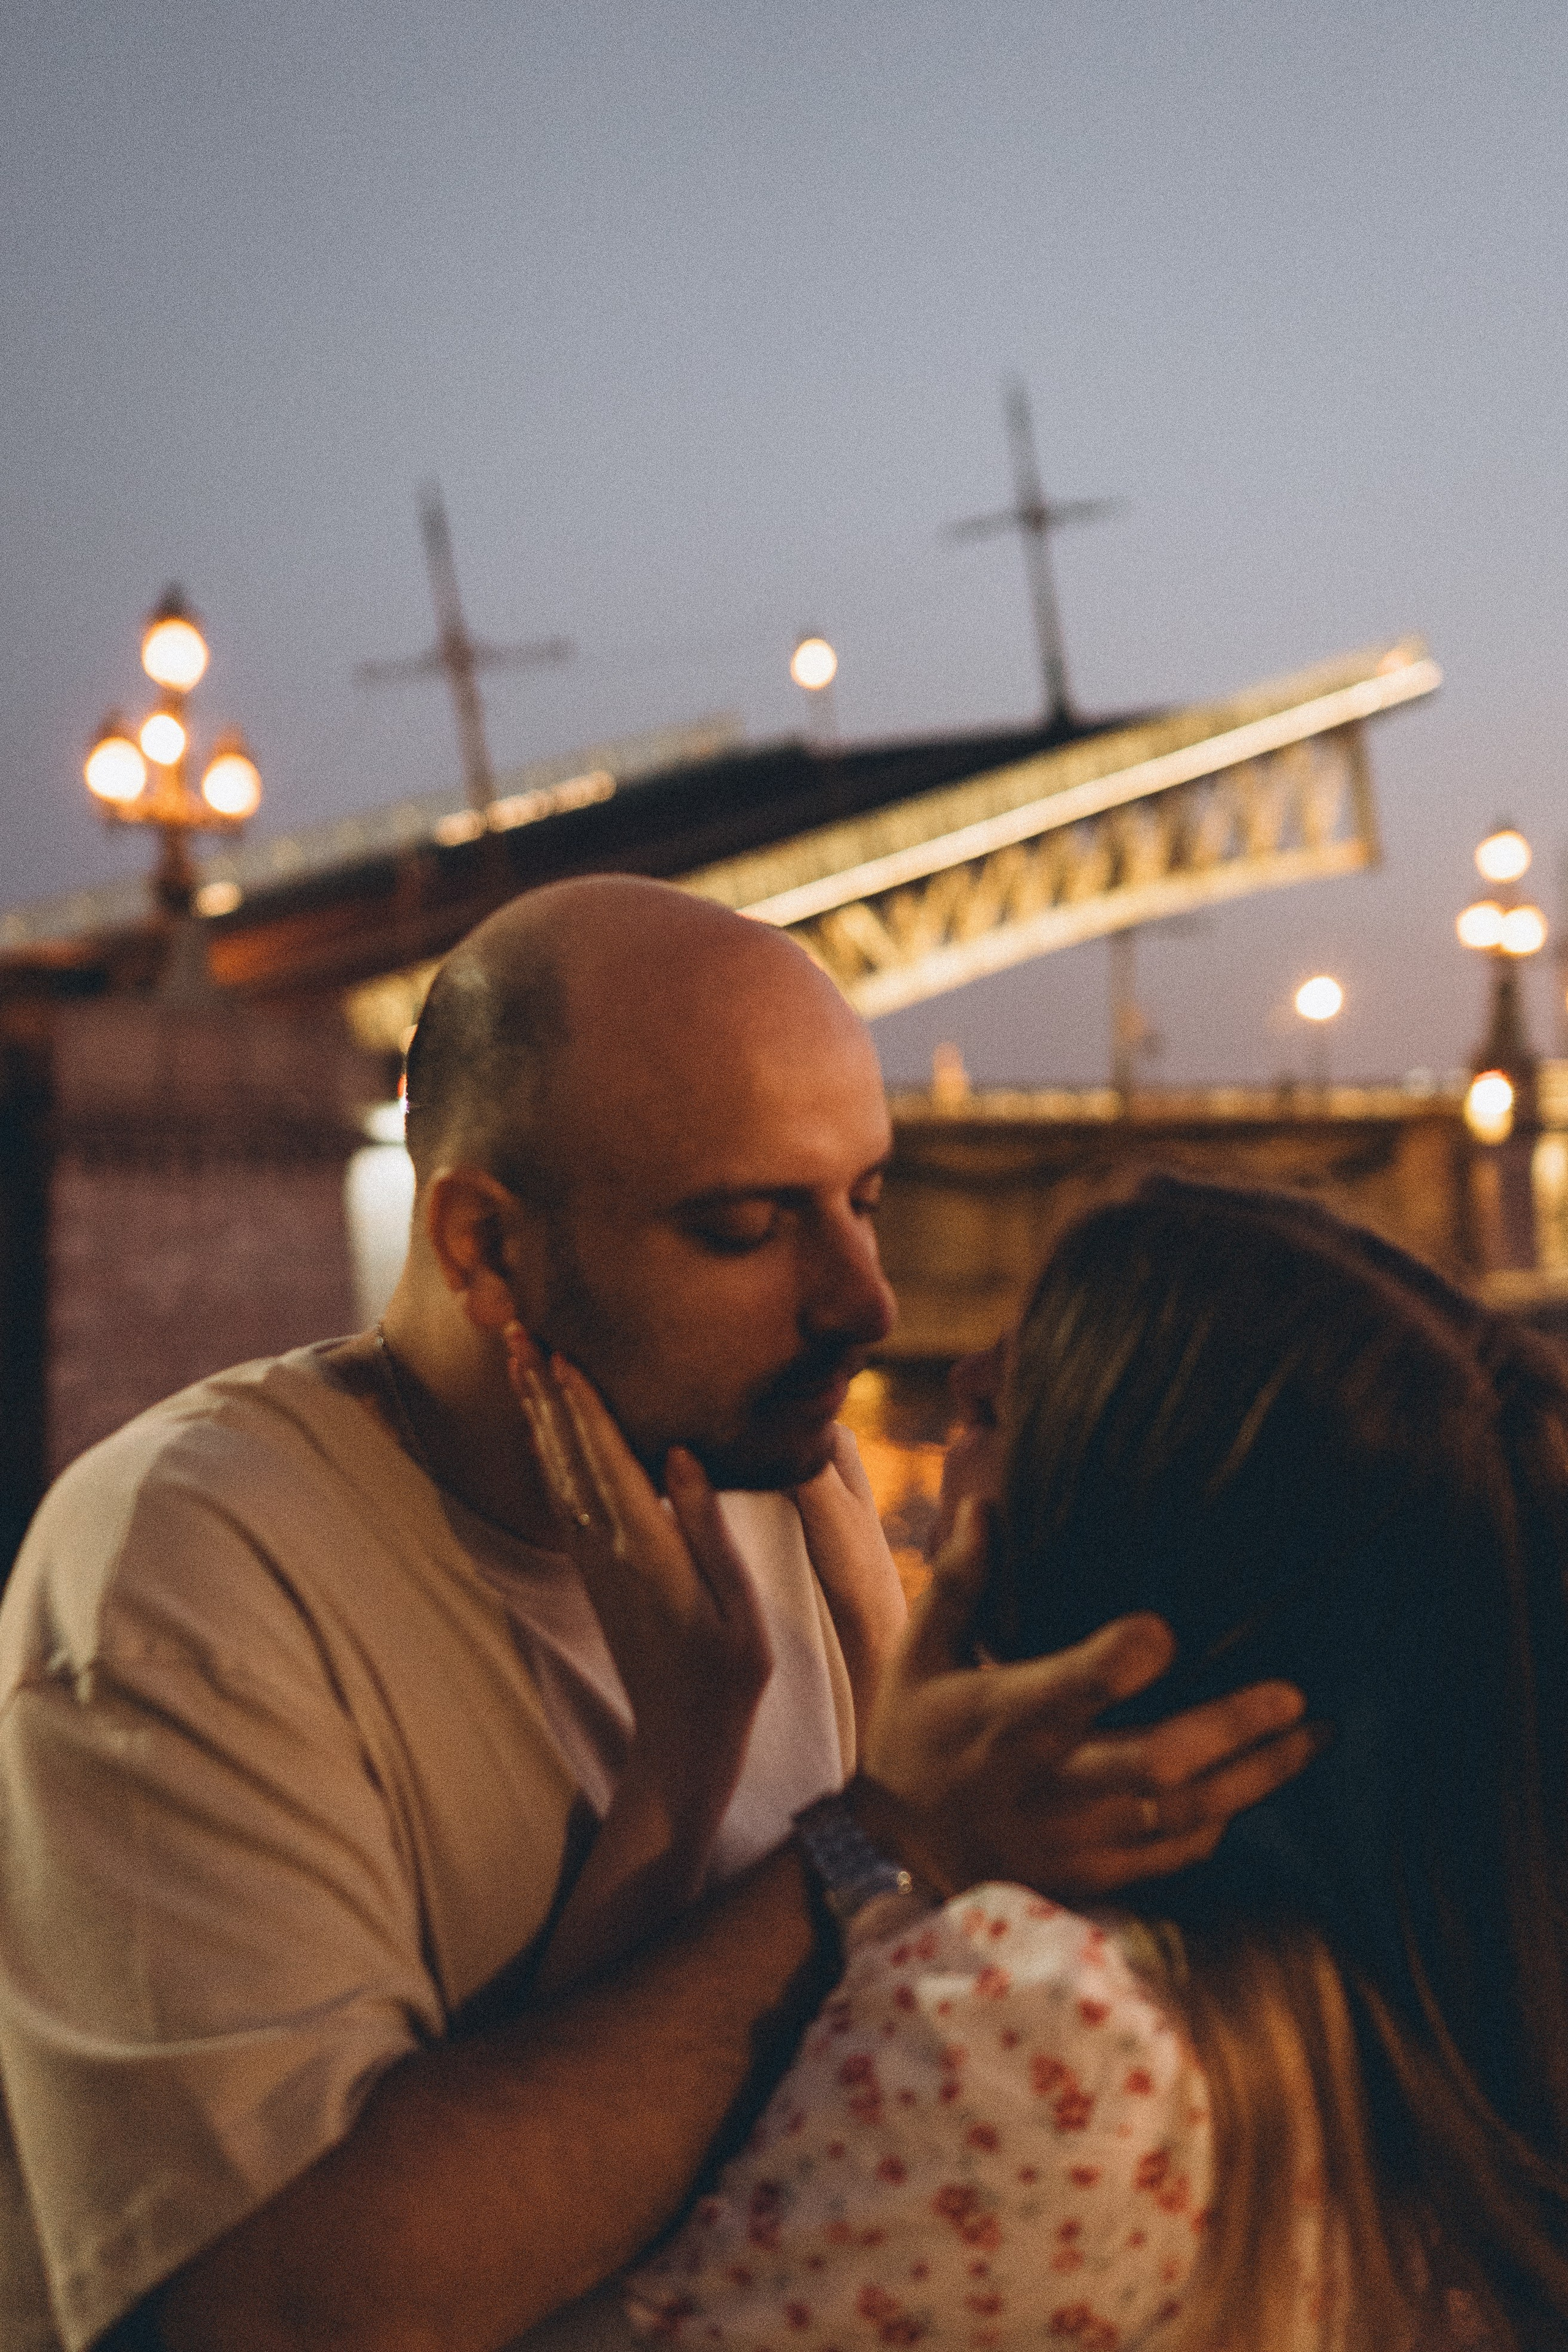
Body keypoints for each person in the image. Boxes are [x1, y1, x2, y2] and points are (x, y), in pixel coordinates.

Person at [0, 883, 1314, 2352]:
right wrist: (877, 1841)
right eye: (749, 1227)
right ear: (485, 1249)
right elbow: (275, 2314)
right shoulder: (193, 1565)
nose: (865, 1304)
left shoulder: (774, 1476)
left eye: (864, 1201)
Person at [607, 1175, 1568, 2352]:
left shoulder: (1046, 2029)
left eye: (1012, 1410)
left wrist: (763, 1793)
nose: (949, 1377)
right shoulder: (1439, 1951)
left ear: (1128, 1556)